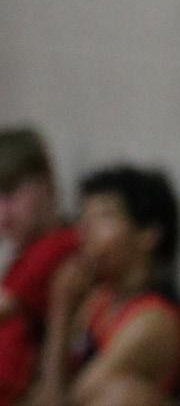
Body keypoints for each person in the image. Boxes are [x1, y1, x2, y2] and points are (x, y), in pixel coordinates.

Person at [29, 164, 180, 406]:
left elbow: (73, 400)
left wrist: (61, 312)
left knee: (119, 396)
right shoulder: (101, 298)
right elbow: (42, 388)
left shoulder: (152, 321)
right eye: (85, 218)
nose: (86, 230)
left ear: (148, 234)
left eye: (104, 217)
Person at [0, 128, 79, 406]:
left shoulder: (57, 246)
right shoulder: (25, 255)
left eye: (10, 194)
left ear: (46, 183)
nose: (2, 214)